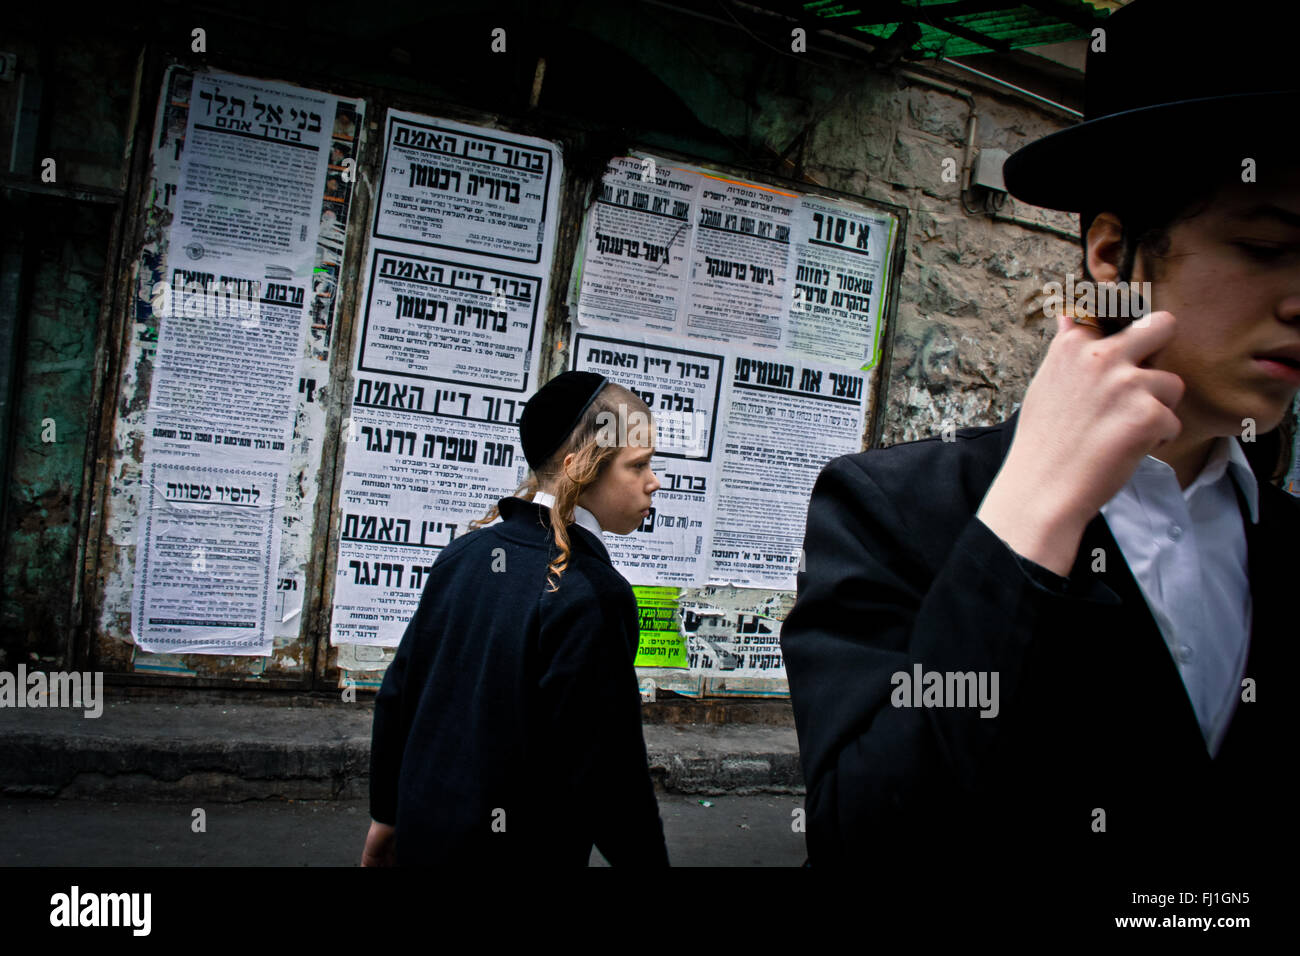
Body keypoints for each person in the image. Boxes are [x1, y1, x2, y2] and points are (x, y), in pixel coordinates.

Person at [780, 0, 1299, 876]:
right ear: (1111, 255)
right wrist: (1028, 520)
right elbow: (869, 841)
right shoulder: (898, 512)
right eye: (1261, 247)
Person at [362, 370, 670, 866]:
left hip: (425, 838)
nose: (654, 482)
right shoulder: (591, 593)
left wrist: (386, 817)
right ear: (580, 470)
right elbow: (607, 770)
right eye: (638, 465)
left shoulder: (463, 555)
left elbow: (401, 694)